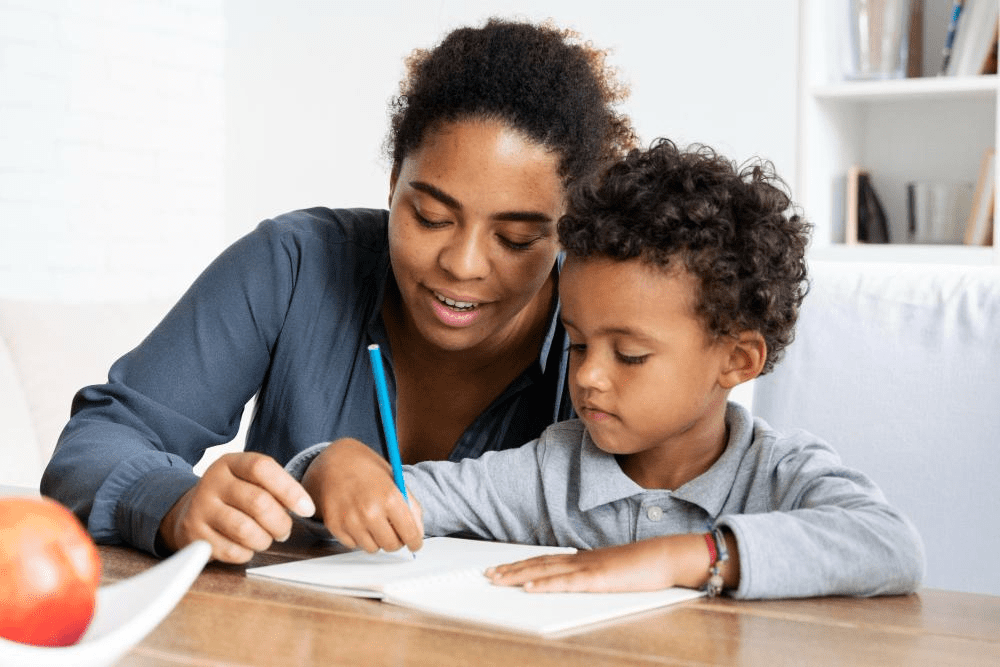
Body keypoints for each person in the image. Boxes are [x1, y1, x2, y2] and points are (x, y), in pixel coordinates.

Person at [40, 18, 636, 563]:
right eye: (429, 216)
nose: (462, 264)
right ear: (392, 183)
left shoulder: (606, 328)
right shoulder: (293, 265)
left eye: (515, 238)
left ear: (568, 233)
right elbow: (98, 443)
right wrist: (171, 504)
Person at [314, 139, 925, 599]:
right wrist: (332, 467)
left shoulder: (780, 474)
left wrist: (681, 558)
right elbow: (402, 500)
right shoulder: (552, 470)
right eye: (578, 345)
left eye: (629, 354)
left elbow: (891, 547)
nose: (588, 377)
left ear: (738, 360)